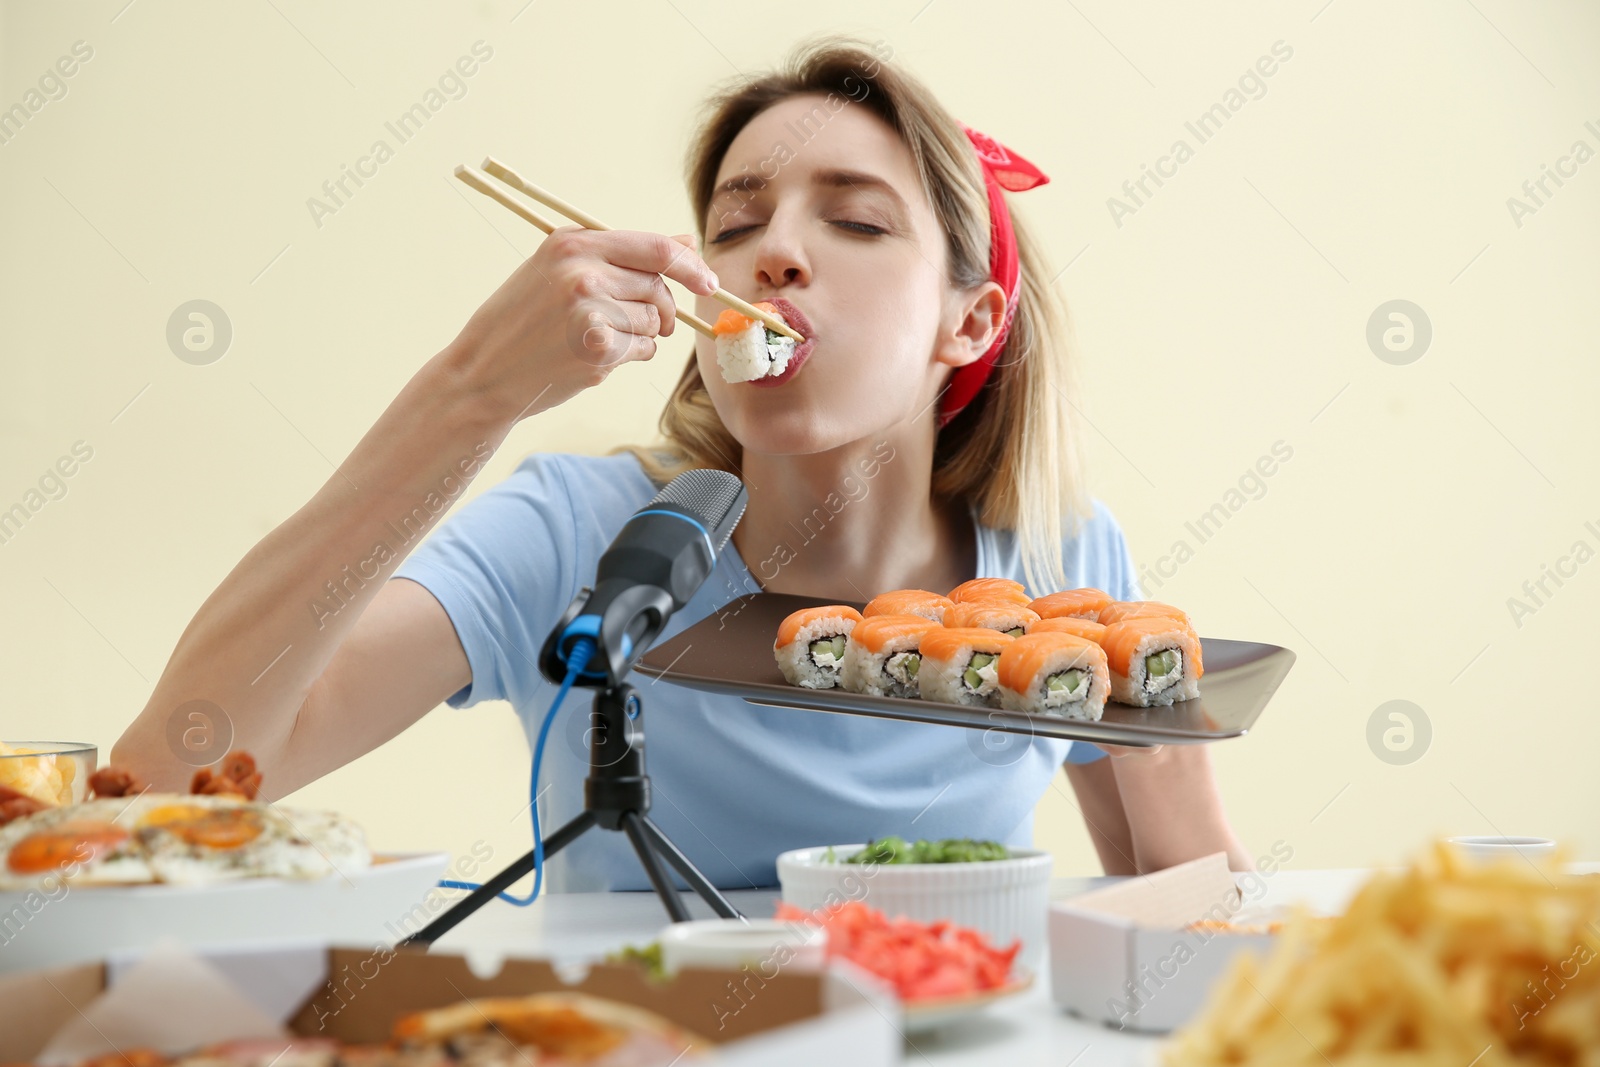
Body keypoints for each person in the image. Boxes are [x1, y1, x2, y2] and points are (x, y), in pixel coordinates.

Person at [112, 37, 1249, 892]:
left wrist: (1161, 718)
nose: (777, 255)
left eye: (854, 222)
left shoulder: (1055, 563)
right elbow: (165, 777)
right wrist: (473, 391)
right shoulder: (585, 533)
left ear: (970, 322)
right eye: (735, 225)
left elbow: (1187, 918)